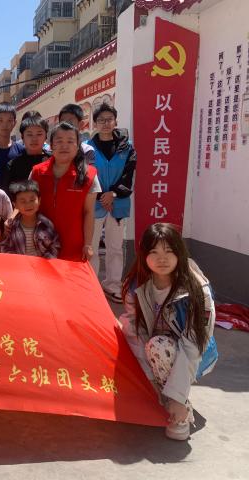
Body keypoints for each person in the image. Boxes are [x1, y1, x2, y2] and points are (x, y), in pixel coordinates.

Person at [119, 222, 217, 441]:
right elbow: (135, 332)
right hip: (155, 350)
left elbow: (194, 343)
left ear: (179, 252)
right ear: (144, 255)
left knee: (159, 346)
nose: (161, 259)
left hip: (197, 354)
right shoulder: (136, 286)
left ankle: (180, 411)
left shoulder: (197, 289)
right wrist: (149, 380)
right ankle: (165, 395)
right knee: (121, 332)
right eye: (153, 252)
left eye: (169, 251)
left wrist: (177, 397)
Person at [87, 102, 137, 303]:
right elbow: (86, 175)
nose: (105, 123)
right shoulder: (87, 148)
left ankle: (113, 284)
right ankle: (91, 285)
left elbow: (129, 175)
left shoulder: (127, 147)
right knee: (91, 245)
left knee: (115, 247)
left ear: (115, 121)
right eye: (101, 120)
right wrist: (102, 196)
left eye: (109, 119)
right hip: (94, 203)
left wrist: (113, 194)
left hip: (118, 202)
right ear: (95, 123)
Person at [29, 122, 100, 261]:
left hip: (74, 246)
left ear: (77, 146)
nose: (64, 146)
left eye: (70, 141)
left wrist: (88, 244)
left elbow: (89, 212)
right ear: (51, 145)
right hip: (40, 245)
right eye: (59, 141)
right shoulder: (37, 172)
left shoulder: (89, 175)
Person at [0, 180, 60, 258]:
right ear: (15, 205)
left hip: (42, 264)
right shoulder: (11, 226)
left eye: (32, 200)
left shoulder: (46, 224)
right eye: (23, 201)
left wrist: (48, 259)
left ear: (39, 201)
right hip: (19, 264)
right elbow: (5, 245)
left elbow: (55, 244)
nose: (28, 205)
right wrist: (14, 259)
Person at [4, 114, 50, 191]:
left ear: (46, 136)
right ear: (22, 137)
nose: (34, 139)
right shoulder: (13, 165)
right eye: (29, 134)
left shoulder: (53, 160)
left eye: (39, 134)